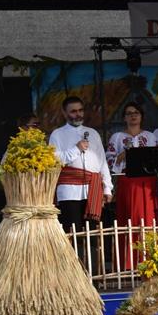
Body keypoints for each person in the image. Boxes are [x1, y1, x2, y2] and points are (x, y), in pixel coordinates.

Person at [106, 101, 158, 269]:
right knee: (130, 219)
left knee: (148, 220)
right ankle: (129, 263)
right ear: (124, 117)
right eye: (129, 113)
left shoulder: (150, 137)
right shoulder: (117, 137)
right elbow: (108, 161)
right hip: (128, 182)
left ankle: (150, 261)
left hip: (148, 183)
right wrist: (121, 156)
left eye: (136, 112)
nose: (133, 116)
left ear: (141, 116)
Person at [48, 96, 113, 233]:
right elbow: (55, 161)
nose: (78, 114)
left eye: (80, 110)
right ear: (64, 113)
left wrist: (107, 188)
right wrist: (76, 149)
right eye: (73, 111)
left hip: (93, 188)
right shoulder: (57, 134)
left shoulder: (93, 133)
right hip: (69, 190)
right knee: (73, 232)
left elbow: (102, 162)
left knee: (93, 233)